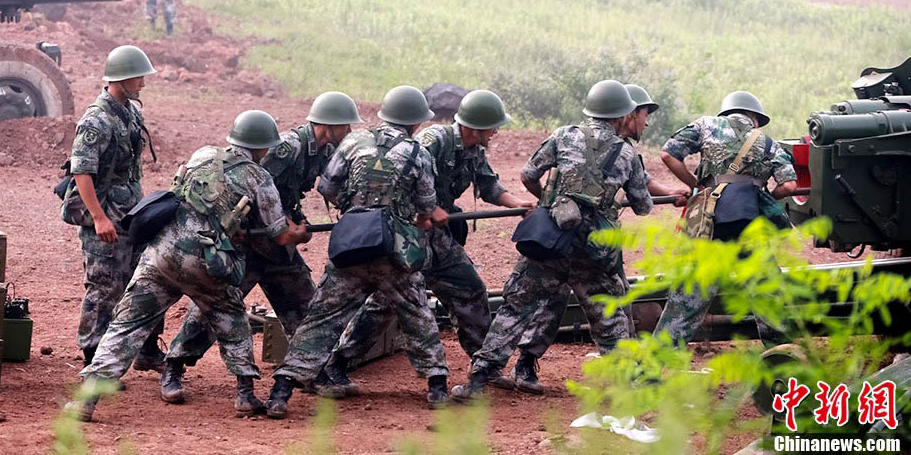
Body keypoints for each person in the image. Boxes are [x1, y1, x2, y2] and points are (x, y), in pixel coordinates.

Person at [68, 110, 309, 421]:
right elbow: (279, 235)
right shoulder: (258, 177)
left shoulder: (203, 154)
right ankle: (245, 394)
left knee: (125, 326)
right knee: (231, 318)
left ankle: (86, 400)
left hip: (160, 254)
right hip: (204, 262)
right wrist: (299, 235)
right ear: (263, 148)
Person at [451, 80, 653, 401]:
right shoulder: (626, 153)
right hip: (595, 249)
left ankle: (478, 381)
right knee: (609, 316)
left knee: (515, 309)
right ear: (620, 116)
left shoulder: (563, 135)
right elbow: (642, 205)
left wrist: (547, 201)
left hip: (550, 240)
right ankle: (626, 385)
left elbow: (528, 174)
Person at [324, 90, 535, 396]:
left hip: (437, 237)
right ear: (475, 127)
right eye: (493, 126)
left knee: (469, 288)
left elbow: (488, 185)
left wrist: (517, 202)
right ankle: (338, 363)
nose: (496, 132)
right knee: (386, 303)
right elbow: (399, 178)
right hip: (407, 235)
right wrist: (423, 211)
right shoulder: (432, 142)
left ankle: (485, 366)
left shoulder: (474, 150)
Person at [159, 92, 361, 404]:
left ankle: (313, 371)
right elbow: (248, 180)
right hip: (249, 244)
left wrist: (301, 220)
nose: (348, 132)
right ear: (328, 125)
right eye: (345, 126)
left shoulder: (325, 151)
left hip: (279, 245)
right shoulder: (286, 148)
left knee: (306, 309)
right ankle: (173, 366)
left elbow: (311, 189)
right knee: (211, 310)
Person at [264, 86, 451, 418]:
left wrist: (355, 211)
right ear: (415, 123)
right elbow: (426, 206)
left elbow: (327, 186)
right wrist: (414, 218)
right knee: (417, 313)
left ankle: (281, 392)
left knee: (321, 318)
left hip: (351, 247)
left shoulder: (353, 142)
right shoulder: (417, 152)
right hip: (394, 252)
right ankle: (437, 388)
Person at [654, 90, 797, 346]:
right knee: (769, 297)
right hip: (749, 225)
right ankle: (784, 362)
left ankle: (650, 371)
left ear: (727, 111)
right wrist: (763, 198)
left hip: (709, 225)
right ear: (754, 118)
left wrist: (695, 185)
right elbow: (789, 187)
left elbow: (668, 153)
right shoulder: (767, 143)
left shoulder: (706, 125)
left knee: (686, 301)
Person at [63, 45, 165, 373]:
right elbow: (82, 173)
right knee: (105, 286)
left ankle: (146, 348)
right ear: (120, 79)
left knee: (144, 280)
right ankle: (94, 359)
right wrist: (98, 218)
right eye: (138, 76)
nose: (143, 83)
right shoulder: (96, 120)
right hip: (105, 217)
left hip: (131, 214)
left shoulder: (131, 112)